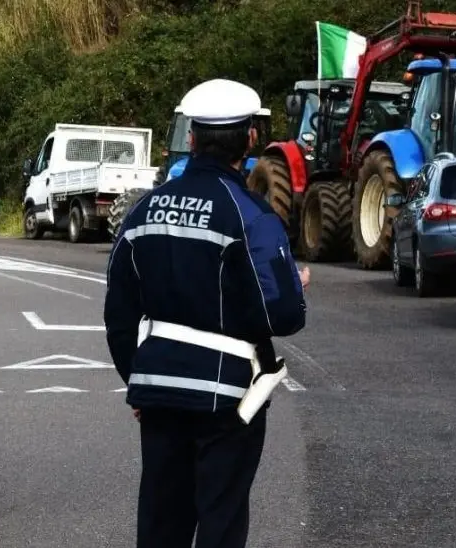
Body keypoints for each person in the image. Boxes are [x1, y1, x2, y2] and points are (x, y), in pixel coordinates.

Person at [103, 78, 310, 548]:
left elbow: (118, 311)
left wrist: (137, 379)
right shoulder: (253, 215)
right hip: (228, 397)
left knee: (160, 525)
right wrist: (293, 285)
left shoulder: (142, 212)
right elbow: (282, 315)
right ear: (251, 139)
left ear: (191, 138)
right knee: (220, 522)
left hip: (158, 394)